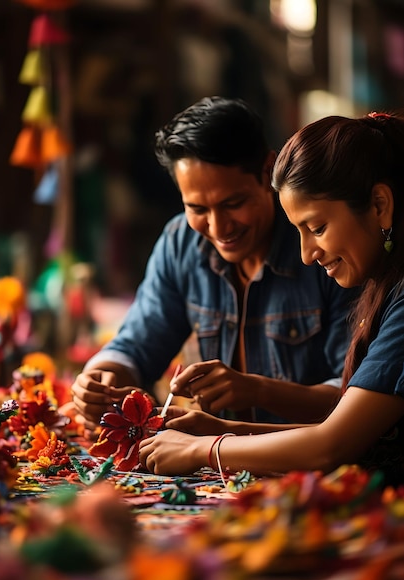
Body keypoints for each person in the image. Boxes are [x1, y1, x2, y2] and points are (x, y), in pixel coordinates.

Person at [138, 110, 404, 487]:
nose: (306, 254)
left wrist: (206, 449)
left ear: (379, 205)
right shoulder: (385, 285)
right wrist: (226, 428)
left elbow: (333, 445)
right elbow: (354, 433)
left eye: (317, 228)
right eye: (299, 232)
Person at [72, 97, 356, 427]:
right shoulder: (181, 244)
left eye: (233, 203)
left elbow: (354, 399)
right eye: (197, 209)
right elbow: (136, 346)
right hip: (217, 467)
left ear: (267, 172)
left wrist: (259, 391)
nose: (219, 228)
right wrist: (100, 379)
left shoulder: (322, 251)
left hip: (311, 467)